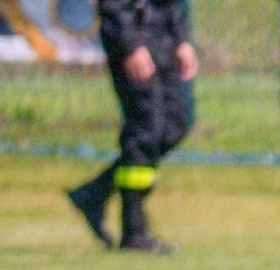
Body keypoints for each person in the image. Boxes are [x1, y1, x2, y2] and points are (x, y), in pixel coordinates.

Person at [66, 0, 197, 253]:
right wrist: (131, 44)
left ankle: (95, 193)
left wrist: (181, 39)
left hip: (163, 34)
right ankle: (134, 231)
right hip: (133, 34)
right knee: (146, 130)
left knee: (175, 125)